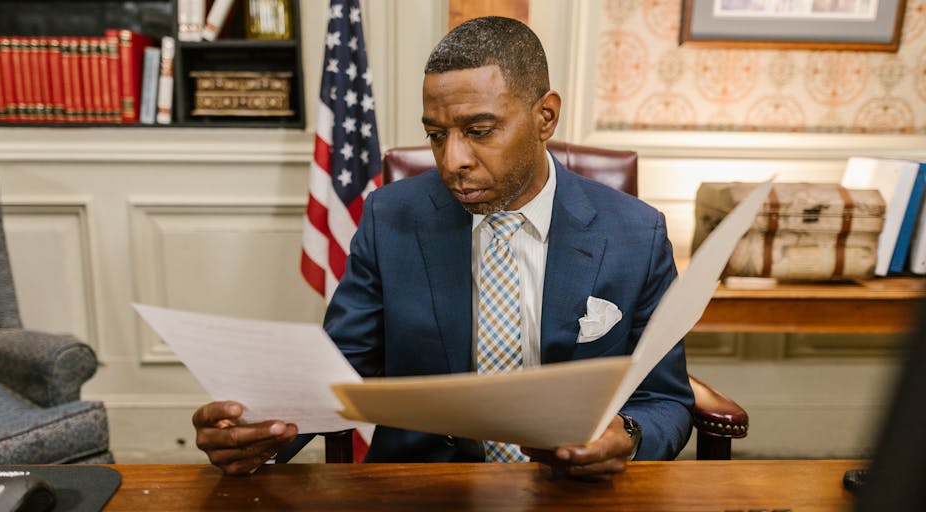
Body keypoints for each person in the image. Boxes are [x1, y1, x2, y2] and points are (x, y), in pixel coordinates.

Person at [193, 16, 694, 477]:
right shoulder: (389, 218)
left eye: (479, 131)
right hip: (424, 485)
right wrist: (262, 431)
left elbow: (666, 400)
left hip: (572, 490)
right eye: (436, 135)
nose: (452, 160)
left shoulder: (636, 233)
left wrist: (625, 437)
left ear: (545, 118)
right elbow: (340, 367)